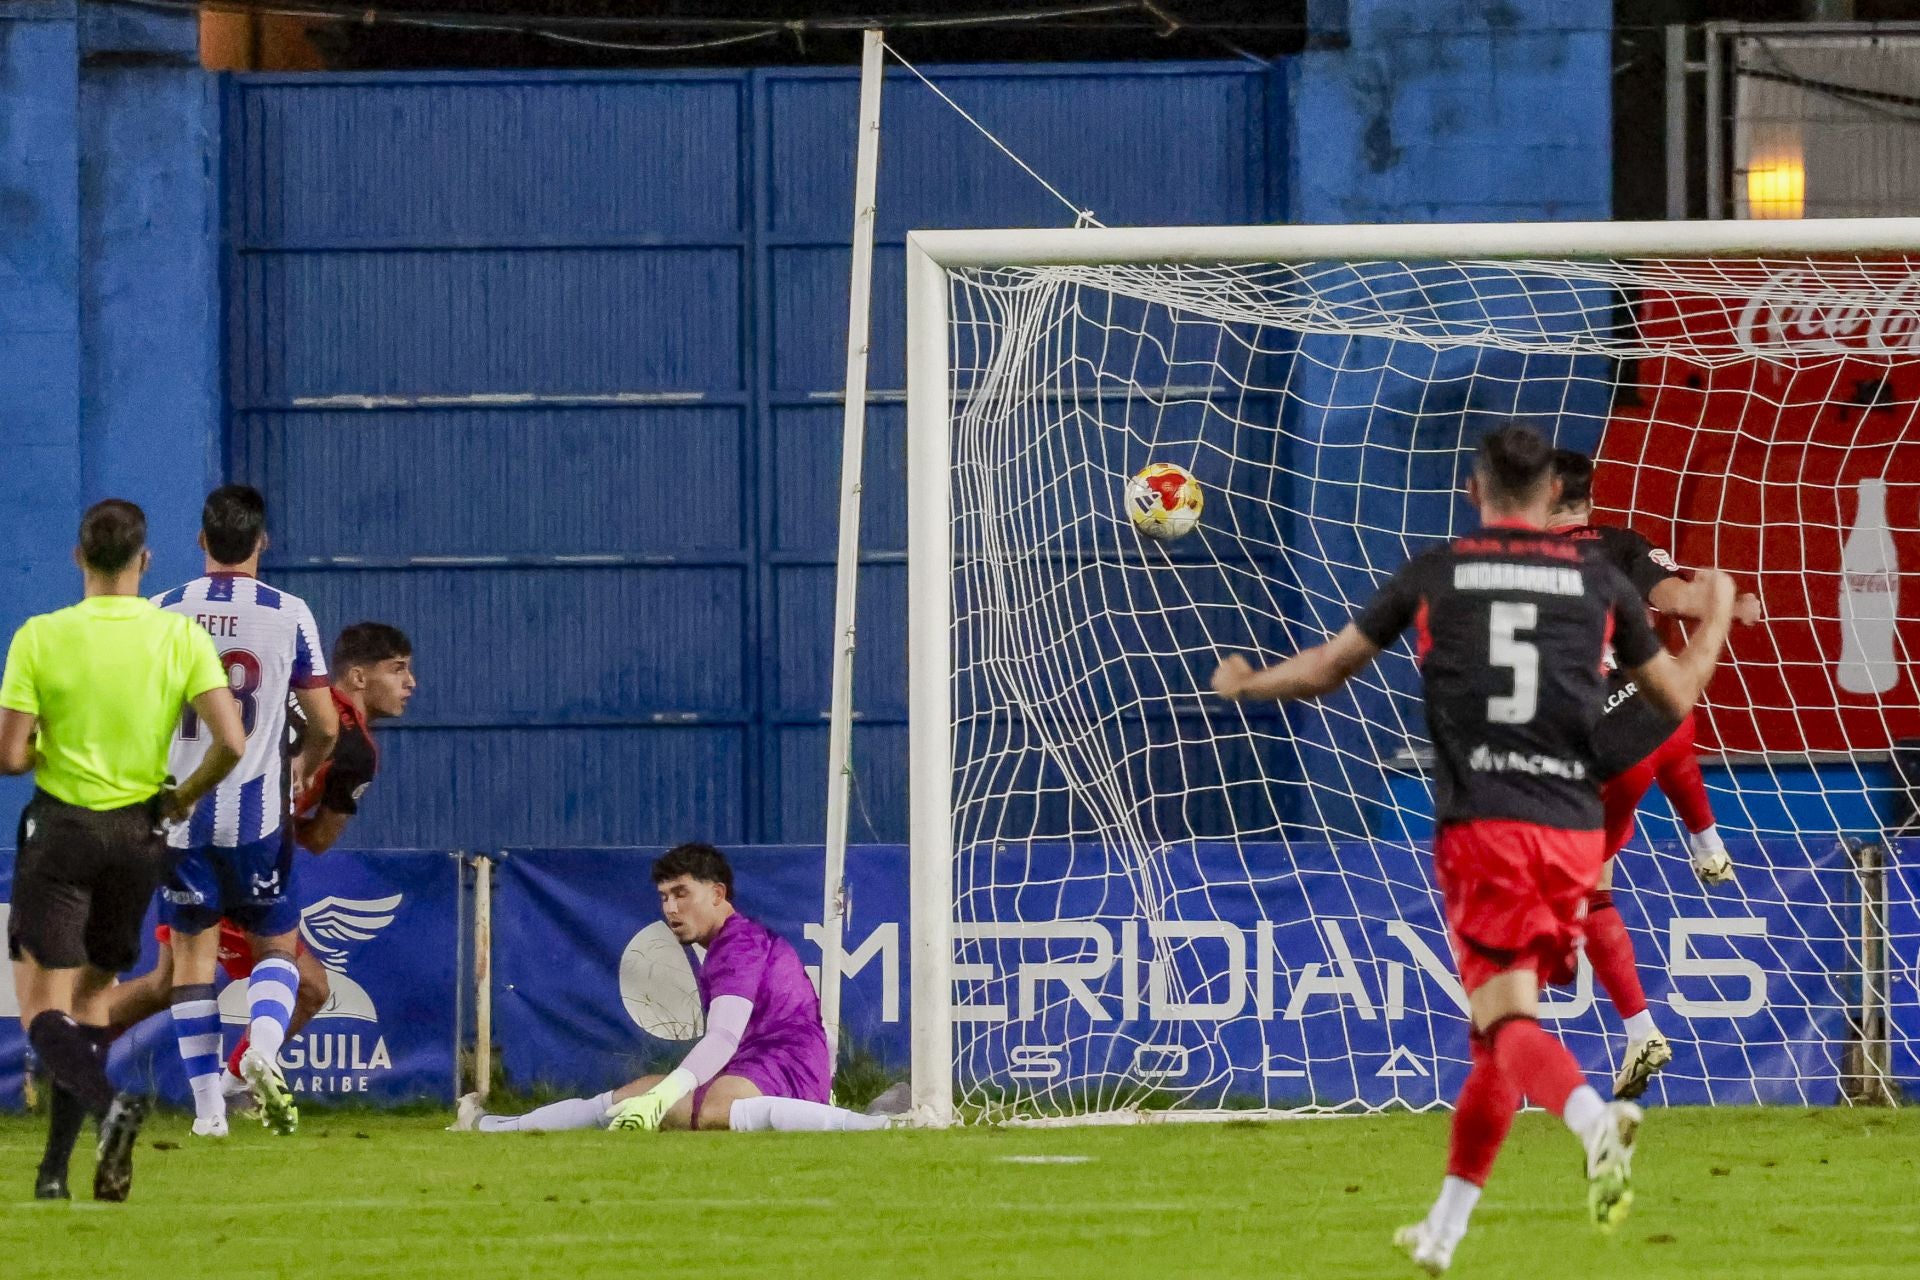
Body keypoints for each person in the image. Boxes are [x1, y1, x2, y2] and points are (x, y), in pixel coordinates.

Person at [1209, 425, 1736, 1274]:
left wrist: (1247, 682)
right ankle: (1445, 1231)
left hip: (1487, 824)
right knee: (1494, 1035)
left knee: (1508, 1020)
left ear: (1476, 488)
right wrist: (1710, 619)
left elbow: (1325, 670)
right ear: (1550, 497)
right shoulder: (1599, 574)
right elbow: (1673, 701)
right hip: (1572, 830)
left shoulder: (1439, 570)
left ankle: (1596, 1122)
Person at [0, 499, 245, 1201]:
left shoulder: (40, 637)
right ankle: (55, 1176)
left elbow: (10, 754)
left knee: (42, 1006)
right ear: (145, 561)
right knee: (95, 999)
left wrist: (54, 745)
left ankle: (110, 1109)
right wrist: (186, 793)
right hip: (141, 835)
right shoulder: (179, 637)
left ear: (79, 558)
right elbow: (230, 741)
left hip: (64, 832)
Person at [104, 620, 414, 1103]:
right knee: (307, 985)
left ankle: (65, 1036)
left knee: (169, 981)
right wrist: (283, 821)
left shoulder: (280, 693)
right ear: (356, 677)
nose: (410, 684)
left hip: (184, 832)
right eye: (398, 671)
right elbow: (319, 840)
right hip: (243, 854)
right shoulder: (351, 746)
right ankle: (232, 1088)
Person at [1547, 448, 1764, 1100]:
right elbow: (1682, 597)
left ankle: (1640, 1029)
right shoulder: (1620, 543)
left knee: (1591, 893)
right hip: (1663, 723)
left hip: (1606, 753)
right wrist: (1727, 601)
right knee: (1672, 706)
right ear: (1588, 498)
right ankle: (1707, 840)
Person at [455, 842, 894, 1135]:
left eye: (682, 894)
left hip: (787, 1061)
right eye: (664, 897)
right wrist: (660, 1094)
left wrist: (665, 1096)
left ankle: (878, 1124)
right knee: (635, 1095)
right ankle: (497, 1126)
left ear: (718, 893)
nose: (671, 908)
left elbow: (723, 1036)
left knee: (703, 1110)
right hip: (760, 1061)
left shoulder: (738, 944)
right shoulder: (726, 943)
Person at [148, 486, 338, 1139]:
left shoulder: (162, 611)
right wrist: (303, 766)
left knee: (192, 959)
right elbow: (325, 723)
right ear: (263, 543)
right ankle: (260, 1044)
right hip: (257, 817)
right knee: (276, 948)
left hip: (180, 815)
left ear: (201, 541)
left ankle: (207, 1114)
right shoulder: (290, 614)